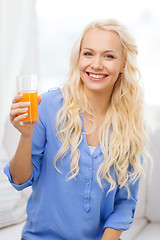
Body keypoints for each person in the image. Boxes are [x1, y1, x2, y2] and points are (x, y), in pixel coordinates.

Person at [4, 19, 147, 240]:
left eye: (108, 56)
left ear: (123, 65)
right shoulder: (48, 106)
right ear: (78, 58)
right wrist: (26, 135)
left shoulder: (132, 124)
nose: (96, 64)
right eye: (88, 53)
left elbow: (124, 204)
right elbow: (20, 180)